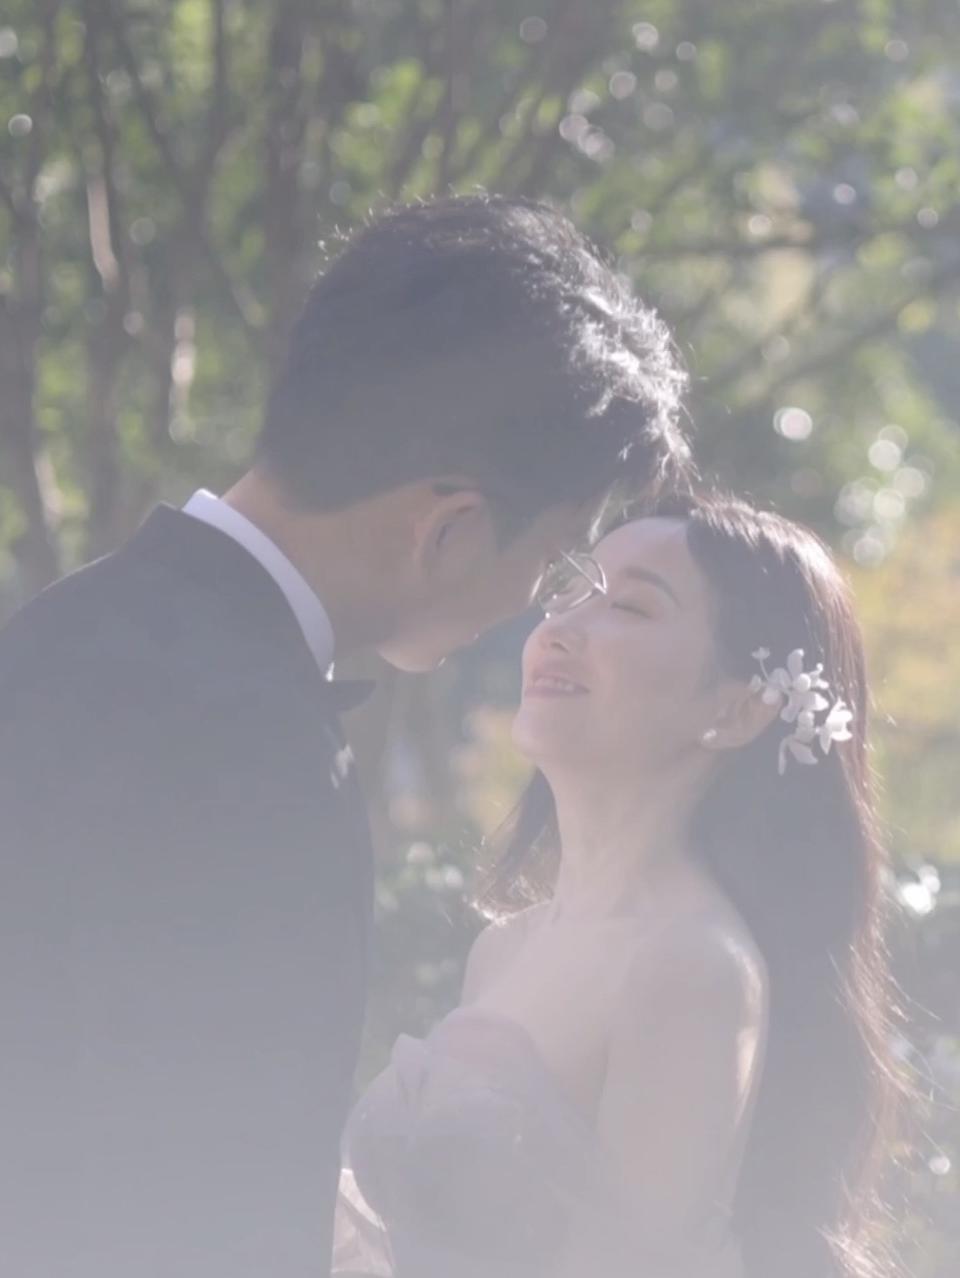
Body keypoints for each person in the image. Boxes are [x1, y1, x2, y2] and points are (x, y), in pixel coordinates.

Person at [0, 195, 689, 1277]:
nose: (539, 602)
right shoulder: (262, 755)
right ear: (452, 528)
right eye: (556, 557)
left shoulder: (56, 627)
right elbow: (202, 1211)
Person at [333, 492, 899, 1278]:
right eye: (570, 592)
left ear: (737, 709)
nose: (559, 629)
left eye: (630, 607)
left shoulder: (691, 964)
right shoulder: (505, 948)